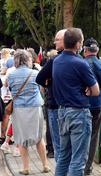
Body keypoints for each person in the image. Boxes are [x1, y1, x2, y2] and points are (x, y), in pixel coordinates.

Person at [51, 28, 100, 176]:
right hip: (78, 112)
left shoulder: (56, 61)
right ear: (79, 44)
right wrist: (86, 89)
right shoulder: (80, 63)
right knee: (78, 158)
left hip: (62, 112)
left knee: (64, 155)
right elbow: (95, 90)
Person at [7, 50, 50, 174]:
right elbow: (40, 88)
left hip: (19, 108)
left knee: (21, 138)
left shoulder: (11, 75)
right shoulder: (35, 73)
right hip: (35, 107)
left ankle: (25, 167)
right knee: (38, 137)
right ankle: (45, 165)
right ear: (28, 60)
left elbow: (11, 89)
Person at [36, 29, 67, 161]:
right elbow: (40, 78)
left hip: (61, 105)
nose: (54, 42)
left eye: (57, 39)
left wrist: (51, 86)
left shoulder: (55, 60)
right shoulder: (54, 60)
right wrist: (51, 86)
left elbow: (40, 79)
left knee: (62, 145)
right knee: (59, 144)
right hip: (56, 104)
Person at [83, 38, 101, 176]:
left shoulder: (80, 64)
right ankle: (88, 166)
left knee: (81, 135)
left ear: (85, 50)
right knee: (94, 135)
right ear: (97, 50)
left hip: (82, 104)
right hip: (97, 104)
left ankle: (80, 164)